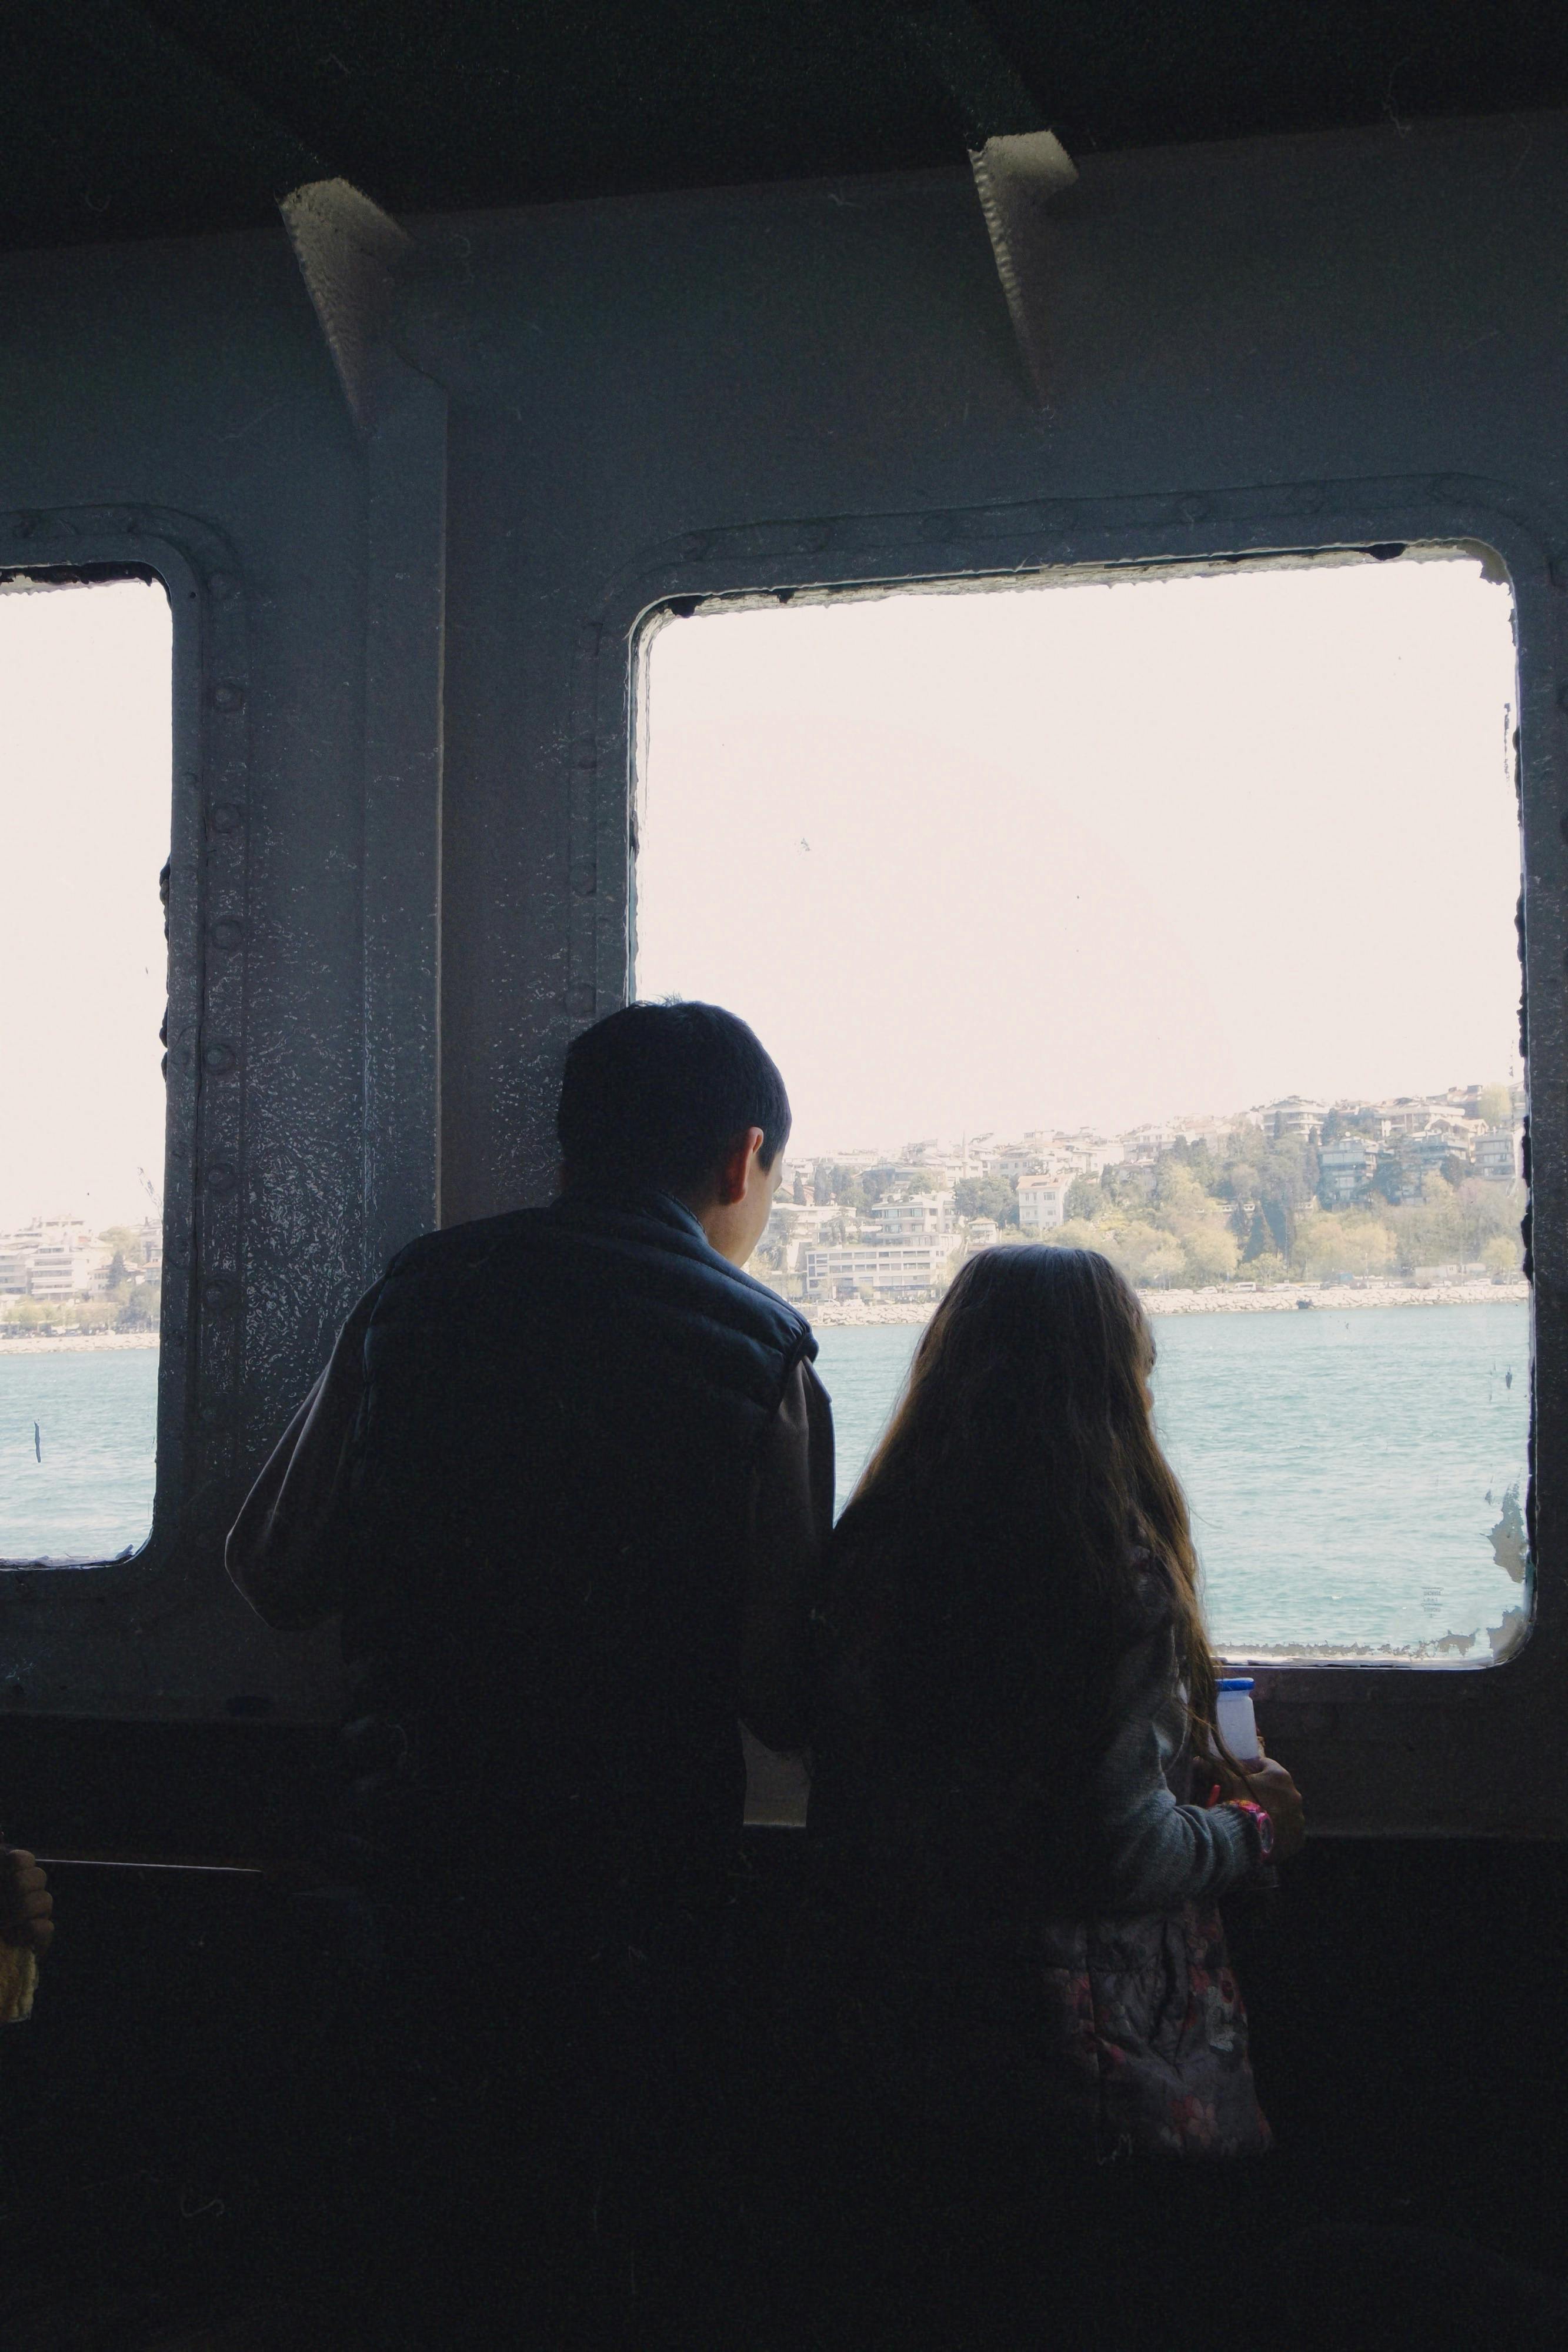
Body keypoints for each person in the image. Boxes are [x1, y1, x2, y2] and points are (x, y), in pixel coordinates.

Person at [226, 1000, 830, 2344]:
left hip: (418, 1862)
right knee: (603, 2250)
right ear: (742, 1160)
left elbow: (275, 1563)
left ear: (567, 1146)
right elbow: (782, 1688)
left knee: (429, 2245)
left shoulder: (416, 1295)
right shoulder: (763, 1353)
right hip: (637, 1895)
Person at [799, 1245, 1305, 2350]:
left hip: (894, 2037)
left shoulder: (869, 1549)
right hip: (1087, 2076)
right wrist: (1248, 1832)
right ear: (1115, 1384)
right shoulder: (1096, 1566)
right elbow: (1115, 1855)